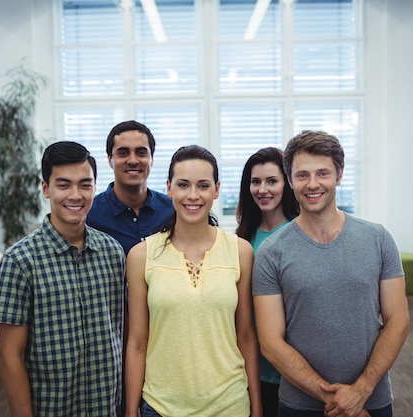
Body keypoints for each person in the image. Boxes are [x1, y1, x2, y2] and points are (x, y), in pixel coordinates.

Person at [252, 130, 409, 417]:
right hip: (299, 405)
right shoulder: (271, 252)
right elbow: (271, 344)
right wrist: (337, 400)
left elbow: (398, 320)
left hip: (371, 400)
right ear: (290, 180)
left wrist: (360, 391)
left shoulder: (378, 239)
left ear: (339, 175)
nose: (312, 184)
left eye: (322, 173)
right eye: (302, 175)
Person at [125, 145, 262, 417]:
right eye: (183, 185)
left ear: (216, 189)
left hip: (229, 405)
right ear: (169, 188)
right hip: (161, 406)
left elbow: (246, 336)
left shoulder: (240, 251)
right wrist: (131, 409)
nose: (193, 195)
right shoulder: (141, 255)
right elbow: (137, 341)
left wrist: (256, 404)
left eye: (202, 185)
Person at [0, 141, 126, 417]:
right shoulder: (19, 261)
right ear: (45, 188)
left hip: (106, 407)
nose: (75, 195)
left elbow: (119, 334)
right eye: (63, 185)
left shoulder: (113, 252)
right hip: (52, 409)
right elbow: (10, 357)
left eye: (85, 184)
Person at [235, 146, 298, 417]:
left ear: (287, 183)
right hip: (253, 364)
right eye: (255, 181)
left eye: (272, 181)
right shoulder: (243, 237)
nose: (263, 189)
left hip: (292, 367)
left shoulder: (299, 232)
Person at [87, 120, 175, 254]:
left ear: (152, 159)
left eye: (141, 152)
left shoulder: (173, 211)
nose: (133, 161)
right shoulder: (89, 215)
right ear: (110, 160)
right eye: (123, 153)